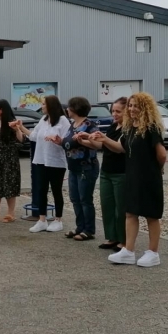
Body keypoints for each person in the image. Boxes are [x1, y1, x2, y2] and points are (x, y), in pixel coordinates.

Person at [91, 92, 166, 267]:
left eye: (135, 106)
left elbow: (162, 154)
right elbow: (120, 148)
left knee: (151, 215)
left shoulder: (152, 128)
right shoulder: (130, 127)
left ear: (145, 108)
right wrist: (104, 139)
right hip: (132, 176)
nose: (132, 109)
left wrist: (158, 168)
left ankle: (153, 253)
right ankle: (128, 251)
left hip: (149, 177)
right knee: (130, 213)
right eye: (130, 105)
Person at [23, 95, 70, 233]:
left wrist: (58, 140)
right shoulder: (43, 120)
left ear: (51, 105)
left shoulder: (62, 120)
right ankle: (42, 220)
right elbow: (33, 136)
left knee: (56, 191)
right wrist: (20, 127)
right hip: (40, 160)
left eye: (44, 104)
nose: (42, 106)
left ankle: (58, 220)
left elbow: (67, 141)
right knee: (41, 190)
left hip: (56, 162)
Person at [55, 96, 100, 241]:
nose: (67, 109)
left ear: (75, 108)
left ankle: (89, 230)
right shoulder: (72, 124)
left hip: (86, 167)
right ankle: (79, 227)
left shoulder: (90, 125)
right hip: (73, 168)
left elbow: (97, 145)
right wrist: (60, 142)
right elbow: (69, 145)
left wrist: (83, 140)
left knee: (85, 199)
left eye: (69, 107)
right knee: (75, 198)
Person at [93, 97, 127, 251]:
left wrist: (104, 138)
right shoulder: (114, 126)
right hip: (106, 171)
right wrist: (86, 139)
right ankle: (111, 237)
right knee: (107, 206)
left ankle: (123, 239)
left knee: (121, 209)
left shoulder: (129, 129)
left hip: (121, 172)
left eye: (118, 111)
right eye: (113, 110)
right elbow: (102, 144)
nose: (114, 114)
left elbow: (120, 148)